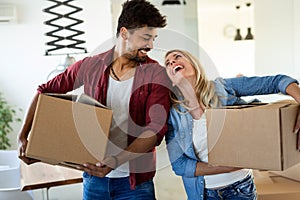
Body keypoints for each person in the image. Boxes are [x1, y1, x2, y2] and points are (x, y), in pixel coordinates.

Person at [18, 1, 171, 199]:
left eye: (153, 39)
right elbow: (44, 92)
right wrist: (23, 135)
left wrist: (116, 160)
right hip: (93, 179)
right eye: (146, 38)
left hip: (135, 184)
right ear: (124, 33)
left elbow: (155, 129)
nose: (151, 45)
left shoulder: (156, 74)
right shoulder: (91, 66)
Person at [163, 49, 300, 200]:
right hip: (203, 193)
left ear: (193, 65)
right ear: (171, 80)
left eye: (177, 57)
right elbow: (180, 165)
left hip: (240, 188)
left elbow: (278, 81)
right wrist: (230, 166)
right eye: (168, 63)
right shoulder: (174, 114)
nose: (172, 62)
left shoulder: (222, 88)